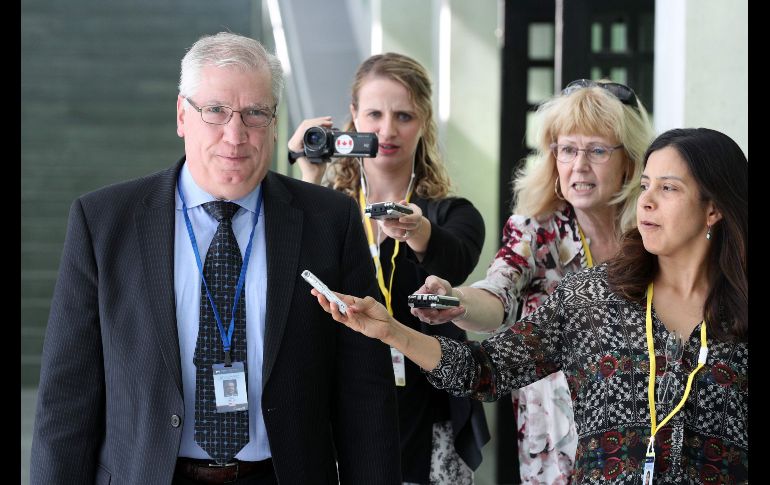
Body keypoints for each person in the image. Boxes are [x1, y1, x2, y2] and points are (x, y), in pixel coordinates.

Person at [30, 32, 400, 485]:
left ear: (275, 122)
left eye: (254, 114)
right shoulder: (104, 223)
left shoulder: (329, 220)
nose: (235, 135)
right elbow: (67, 399)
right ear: (182, 115)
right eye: (216, 111)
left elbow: (366, 392)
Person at [312, 127, 748, 484]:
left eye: (669, 189)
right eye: (647, 185)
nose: (648, 200)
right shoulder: (593, 296)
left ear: (714, 209)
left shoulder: (742, 313)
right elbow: (485, 371)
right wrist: (391, 330)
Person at [412, 78, 654, 483]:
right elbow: (497, 291)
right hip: (559, 448)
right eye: (567, 149)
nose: (579, 165)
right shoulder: (536, 231)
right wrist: (457, 300)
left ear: (629, 160)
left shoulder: (650, 233)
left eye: (597, 150)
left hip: (642, 436)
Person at [288, 52, 489, 484]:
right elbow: (291, 271)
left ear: (424, 123)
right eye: (375, 114)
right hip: (338, 413)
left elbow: (456, 259)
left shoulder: (452, 212)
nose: (387, 130)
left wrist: (418, 230)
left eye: (404, 116)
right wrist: (310, 176)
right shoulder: (330, 209)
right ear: (353, 118)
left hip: (428, 416)